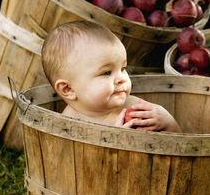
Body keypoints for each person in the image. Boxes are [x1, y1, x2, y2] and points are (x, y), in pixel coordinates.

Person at [41, 20, 181, 132]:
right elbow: (72, 163)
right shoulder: (68, 126)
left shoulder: (137, 110)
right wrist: (114, 142)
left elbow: (178, 149)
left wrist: (168, 123)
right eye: (107, 72)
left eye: (123, 68)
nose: (121, 78)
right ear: (68, 89)